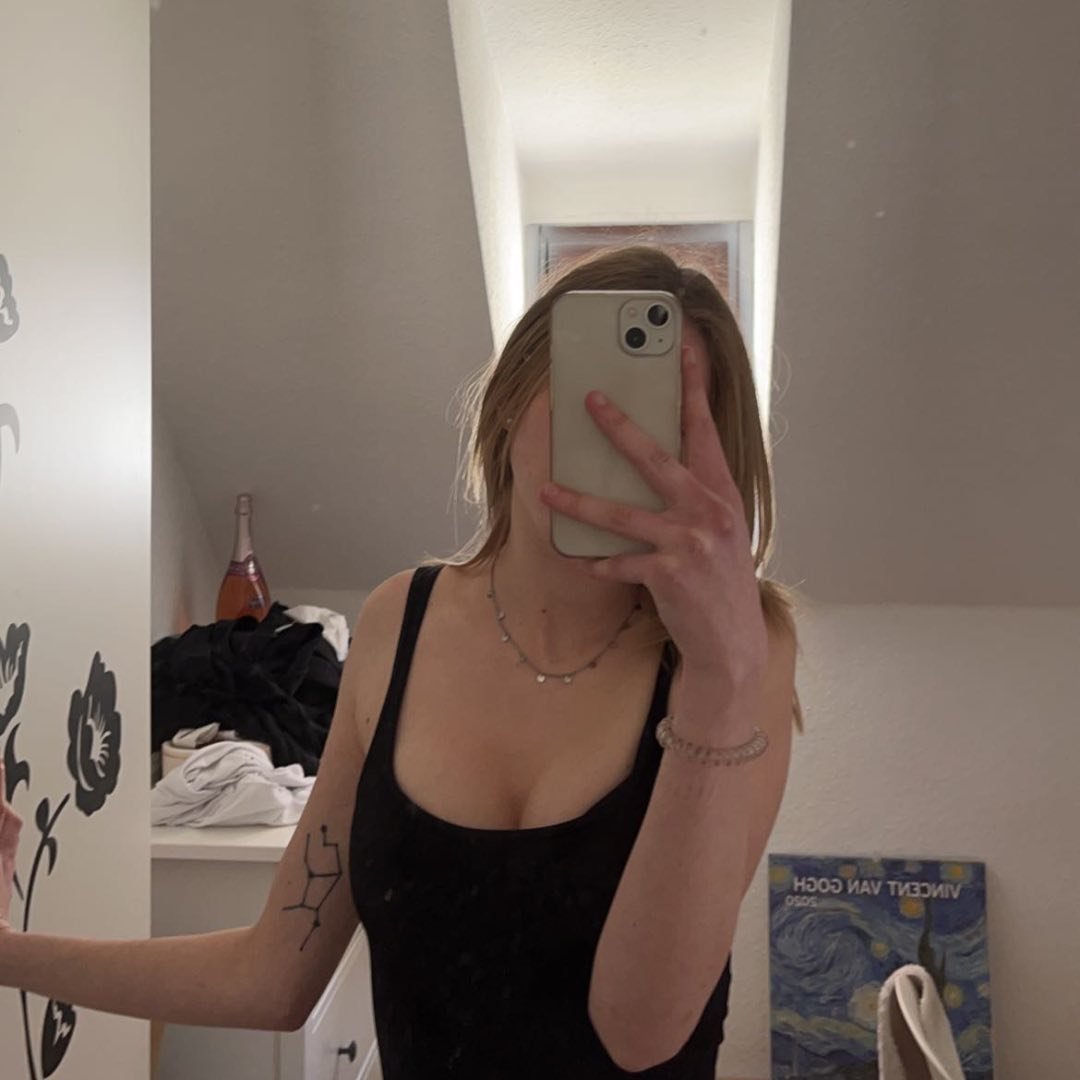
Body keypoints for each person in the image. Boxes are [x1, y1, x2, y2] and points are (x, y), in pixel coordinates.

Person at [0, 245, 803, 1077]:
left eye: (662, 420)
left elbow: (640, 1032)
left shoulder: (743, 652)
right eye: (588, 392)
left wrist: (719, 677)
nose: (618, 434)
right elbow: (272, 976)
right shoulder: (398, 622)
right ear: (510, 399)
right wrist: (6, 953)